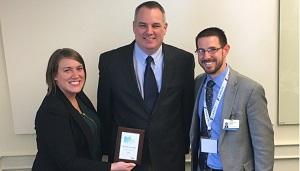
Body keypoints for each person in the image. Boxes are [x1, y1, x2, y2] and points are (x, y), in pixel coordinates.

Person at [97, 1, 195, 170]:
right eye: (143, 25)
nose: (149, 32)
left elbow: (187, 110)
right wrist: (106, 151)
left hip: (170, 157)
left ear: (165, 28)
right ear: (134, 27)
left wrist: (185, 147)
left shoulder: (183, 61)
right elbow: (105, 110)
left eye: (156, 25)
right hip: (126, 160)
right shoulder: (110, 61)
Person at [32, 48, 136, 171]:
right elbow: (67, 163)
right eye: (67, 70)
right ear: (54, 75)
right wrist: (111, 167)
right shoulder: (52, 111)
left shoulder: (79, 96)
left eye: (79, 68)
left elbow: (94, 133)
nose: (76, 75)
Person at [190, 27, 274, 171]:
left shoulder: (250, 90)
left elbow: (263, 145)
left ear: (226, 49)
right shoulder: (198, 83)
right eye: (201, 51)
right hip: (202, 166)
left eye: (212, 49)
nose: (206, 56)